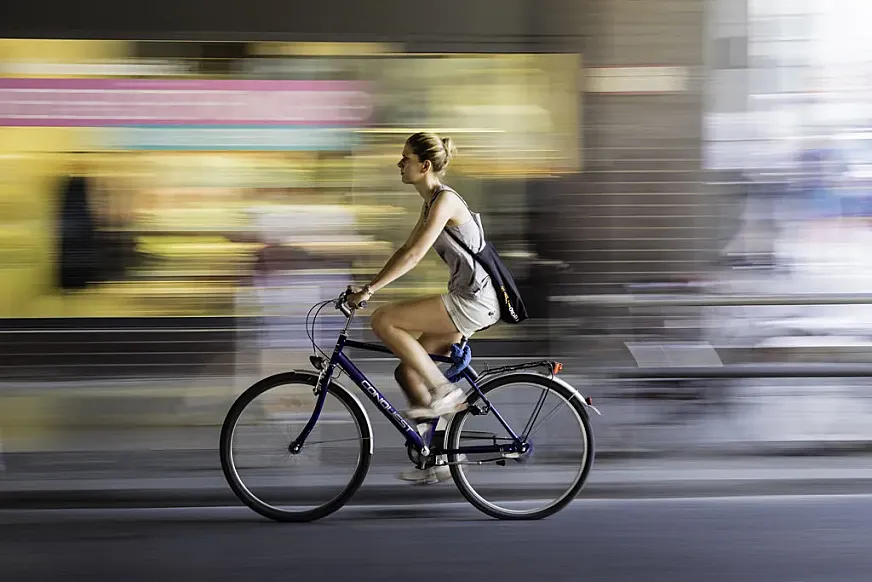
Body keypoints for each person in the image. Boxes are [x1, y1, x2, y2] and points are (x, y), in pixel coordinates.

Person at [346, 132, 501, 424]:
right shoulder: (431, 202)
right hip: (469, 298)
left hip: (473, 300)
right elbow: (405, 249)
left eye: (407, 158)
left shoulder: (445, 201)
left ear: (425, 165)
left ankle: (445, 390)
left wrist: (369, 291)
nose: (399, 163)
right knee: (407, 373)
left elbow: (415, 255)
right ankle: (438, 461)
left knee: (383, 320)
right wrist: (369, 287)